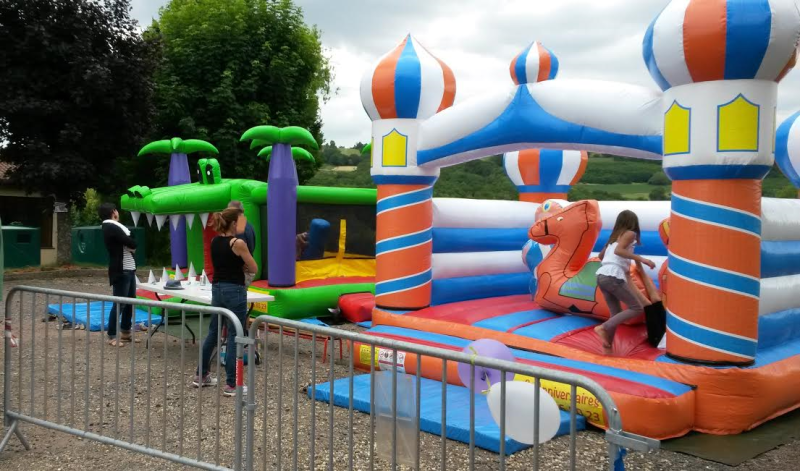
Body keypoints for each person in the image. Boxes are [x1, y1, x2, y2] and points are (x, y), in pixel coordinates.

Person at [193, 207, 258, 396]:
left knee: (213, 332)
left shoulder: (214, 241)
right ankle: (232, 384)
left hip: (217, 288)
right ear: (234, 223)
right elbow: (254, 267)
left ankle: (201, 375)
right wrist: (243, 265)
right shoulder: (238, 243)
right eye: (240, 221)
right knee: (234, 334)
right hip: (235, 289)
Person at [593, 210, 656, 355]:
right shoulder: (630, 233)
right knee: (637, 308)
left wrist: (621, 263)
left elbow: (601, 256)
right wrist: (642, 259)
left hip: (602, 275)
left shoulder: (613, 238)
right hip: (612, 276)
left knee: (615, 313)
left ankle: (607, 347)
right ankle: (603, 328)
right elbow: (619, 251)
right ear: (633, 222)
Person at [99, 203, 139, 347]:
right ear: (113, 212)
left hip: (129, 268)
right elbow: (131, 242)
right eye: (116, 210)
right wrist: (131, 244)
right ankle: (112, 335)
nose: (118, 212)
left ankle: (125, 332)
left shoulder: (116, 227)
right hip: (121, 270)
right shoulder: (111, 227)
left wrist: (130, 244)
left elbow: (131, 241)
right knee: (119, 303)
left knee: (130, 303)